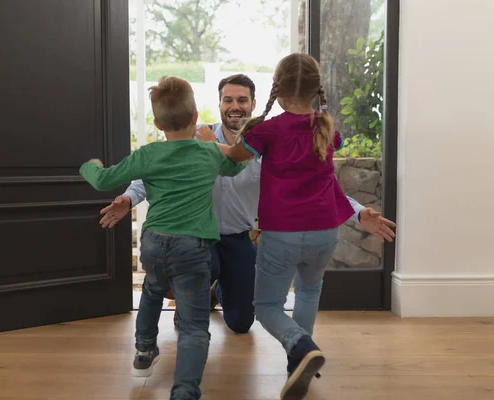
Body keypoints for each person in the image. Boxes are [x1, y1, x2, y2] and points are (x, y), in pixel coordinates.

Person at [99, 74, 396, 335]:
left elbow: (318, 184)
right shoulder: (194, 136)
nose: (234, 106)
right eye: (227, 100)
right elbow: (151, 173)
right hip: (199, 238)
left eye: (242, 100)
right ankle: (194, 297)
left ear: (254, 104)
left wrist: (358, 213)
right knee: (195, 267)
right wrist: (128, 199)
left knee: (241, 323)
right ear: (219, 104)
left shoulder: (268, 142)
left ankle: (218, 290)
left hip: (238, 238)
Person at [217, 54, 396, 399]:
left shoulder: (268, 130)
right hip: (324, 233)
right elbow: (333, 156)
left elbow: (233, 155)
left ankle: (300, 347)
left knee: (267, 306)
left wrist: (208, 145)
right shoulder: (326, 128)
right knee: (309, 290)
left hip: (282, 232)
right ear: (316, 91)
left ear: (277, 90)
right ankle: (296, 362)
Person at [79, 76, 246, 400]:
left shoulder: (148, 155)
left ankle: (143, 351)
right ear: (196, 117)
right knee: (195, 325)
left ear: (156, 123)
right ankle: (184, 391)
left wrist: (90, 166)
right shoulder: (207, 153)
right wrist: (216, 144)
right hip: (192, 246)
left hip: (154, 242)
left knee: (152, 292)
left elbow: (102, 181)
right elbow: (236, 168)